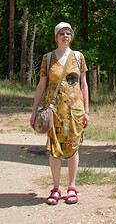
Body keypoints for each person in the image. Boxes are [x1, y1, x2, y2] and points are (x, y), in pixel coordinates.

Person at [30, 22, 90, 205]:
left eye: (68, 33)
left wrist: (87, 111)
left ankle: (72, 186)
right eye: (62, 33)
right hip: (54, 111)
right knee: (54, 149)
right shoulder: (47, 59)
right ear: (56, 37)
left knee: (73, 147)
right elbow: (41, 86)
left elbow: (84, 85)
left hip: (74, 111)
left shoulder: (79, 57)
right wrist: (33, 112)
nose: (65, 35)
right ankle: (56, 188)